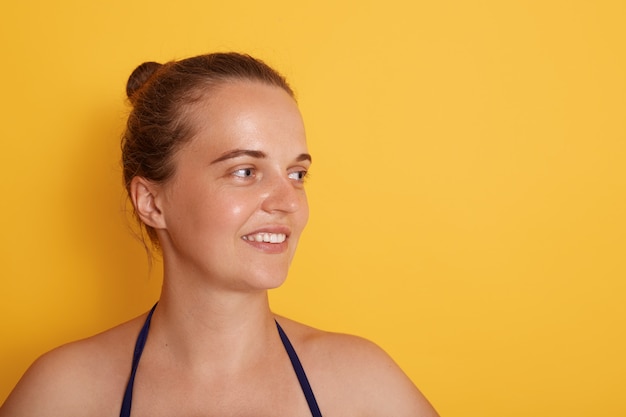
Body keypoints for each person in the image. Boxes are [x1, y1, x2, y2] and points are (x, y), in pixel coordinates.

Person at [0, 52, 438, 417]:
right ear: (152, 202)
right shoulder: (63, 394)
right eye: (245, 171)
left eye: (296, 173)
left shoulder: (362, 386)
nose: (287, 201)